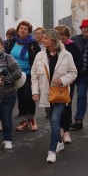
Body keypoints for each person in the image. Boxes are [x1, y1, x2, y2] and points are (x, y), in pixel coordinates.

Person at [31, 29, 77, 163]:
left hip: (59, 94)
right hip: (46, 94)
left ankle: (52, 151)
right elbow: (34, 75)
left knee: (56, 120)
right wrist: (35, 92)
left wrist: (62, 80)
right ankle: (59, 141)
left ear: (53, 41)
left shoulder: (66, 55)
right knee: (52, 121)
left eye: (45, 38)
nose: (42, 40)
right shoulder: (40, 56)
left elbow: (73, 73)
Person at [4, 21, 41, 131]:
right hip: (15, 74)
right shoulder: (12, 41)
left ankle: (32, 119)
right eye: (21, 28)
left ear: (29, 32)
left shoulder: (32, 44)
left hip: (29, 74)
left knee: (28, 96)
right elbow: (6, 55)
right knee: (20, 97)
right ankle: (24, 120)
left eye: (25, 29)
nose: (23, 30)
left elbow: (38, 59)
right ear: (18, 29)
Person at [54, 25, 83, 144]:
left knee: (66, 105)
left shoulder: (73, 46)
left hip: (68, 81)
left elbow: (78, 63)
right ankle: (59, 129)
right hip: (54, 81)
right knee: (55, 105)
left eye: (64, 38)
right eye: (59, 38)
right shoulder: (52, 47)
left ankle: (66, 131)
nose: (62, 40)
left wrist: (71, 78)